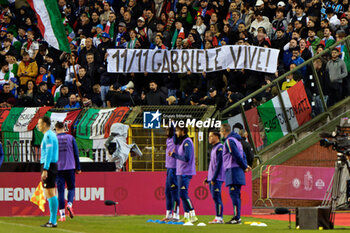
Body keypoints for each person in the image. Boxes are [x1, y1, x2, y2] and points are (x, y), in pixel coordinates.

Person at [220, 123, 251, 224]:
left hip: (233, 170)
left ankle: (237, 218)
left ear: (224, 131)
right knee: (236, 193)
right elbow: (243, 155)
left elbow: (236, 155)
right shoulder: (237, 141)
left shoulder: (229, 141)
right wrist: (245, 165)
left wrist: (244, 166)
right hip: (237, 169)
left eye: (221, 131)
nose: (220, 133)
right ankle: (237, 217)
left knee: (234, 193)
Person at [168, 126, 198, 223]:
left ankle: (193, 214)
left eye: (177, 131)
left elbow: (187, 158)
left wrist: (174, 155)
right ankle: (186, 216)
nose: (176, 133)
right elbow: (175, 140)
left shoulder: (187, 142)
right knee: (182, 194)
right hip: (181, 172)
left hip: (186, 172)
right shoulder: (182, 142)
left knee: (183, 194)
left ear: (183, 132)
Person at [55, 122, 81, 222]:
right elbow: (76, 153)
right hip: (70, 167)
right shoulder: (71, 138)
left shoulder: (54, 140)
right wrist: (78, 167)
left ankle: (62, 216)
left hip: (58, 168)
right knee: (71, 188)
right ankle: (69, 204)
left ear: (56, 129)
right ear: (64, 128)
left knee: (60, 191)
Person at [38, 116, 59, 228]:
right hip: (50, 165)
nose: (38, 125)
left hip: (49, 166)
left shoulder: (49, 136)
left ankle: (53, 221)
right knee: (49, 193)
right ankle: (52, 220)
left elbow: (49, 153)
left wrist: (45, 169)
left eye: (39, 123)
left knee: (50, 193)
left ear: (45, 124)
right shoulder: (49, 135)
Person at [204, 130, 225, 224]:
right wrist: (208, 177)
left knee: (217, 197)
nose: (209, 138)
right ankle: (218, 217)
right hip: (212, 178)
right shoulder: (213, 148)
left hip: (217, 178)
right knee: (215, 198)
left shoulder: (220, 148)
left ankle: (219, 218)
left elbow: (219, 164)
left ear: (217, 137)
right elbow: (212, 165)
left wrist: (214, 178)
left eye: (211, 136)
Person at [161, 127, 180, 222]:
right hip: (168, 168)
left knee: (174, 192)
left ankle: (176, 214)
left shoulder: (175, 139)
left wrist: (172, 122)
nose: (166, 131)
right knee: (167, 192)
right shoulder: (168, 140)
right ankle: (168, 214)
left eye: (168, 130)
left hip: (174, 168)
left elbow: (175, 134)